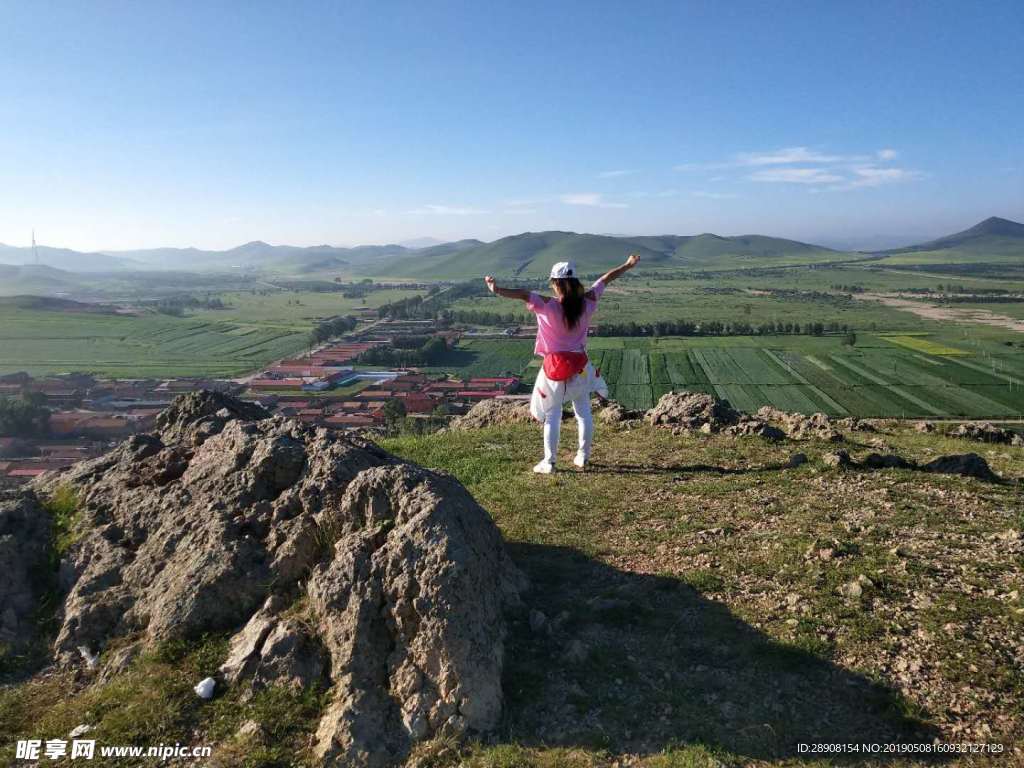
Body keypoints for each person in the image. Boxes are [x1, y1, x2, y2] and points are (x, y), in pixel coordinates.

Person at [484, 253, 640, 473]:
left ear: (555, 284)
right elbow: (605, 279)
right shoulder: (588, 302)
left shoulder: (547, 305)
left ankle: (549, 462)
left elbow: (522, 294)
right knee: (583, 412)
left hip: (555, 368)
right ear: (576, 282)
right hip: (581, 366)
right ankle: (583, 457)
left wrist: (497, 289)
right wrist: (627, 265)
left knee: (552, 415)